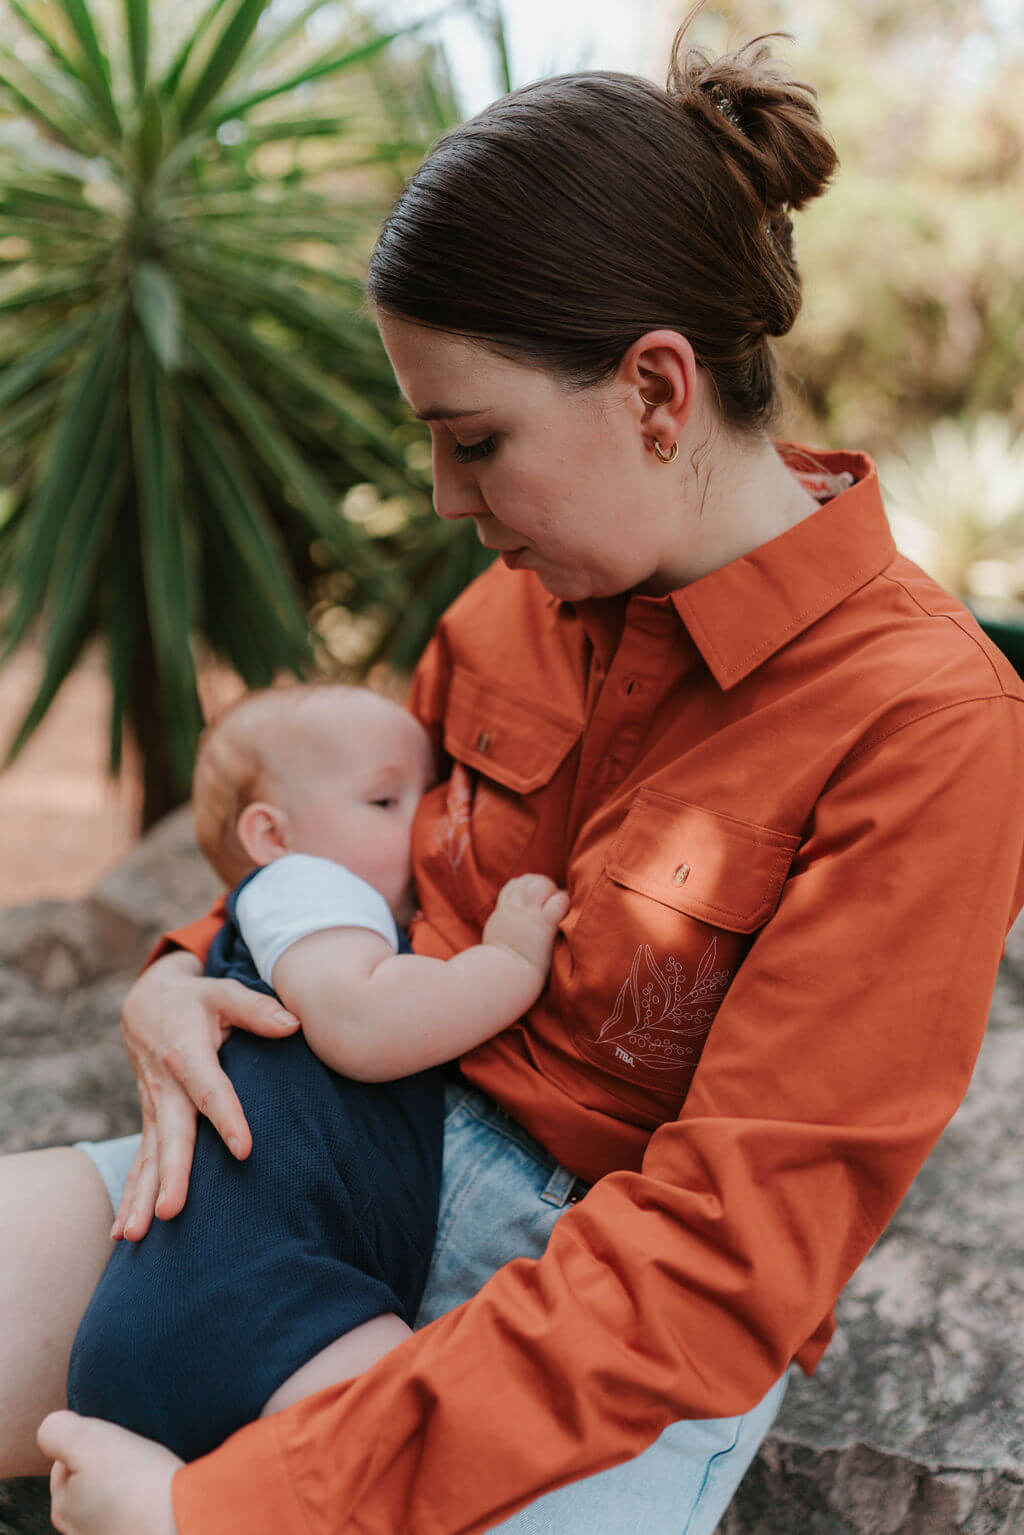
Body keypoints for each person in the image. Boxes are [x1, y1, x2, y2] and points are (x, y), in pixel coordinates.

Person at [6, 15, 1023, 1535]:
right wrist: (179, 976)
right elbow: (337, 864)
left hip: (599, 1300)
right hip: (335, 1148)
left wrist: (230, 1508)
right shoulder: (512, 594)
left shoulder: (931, 724)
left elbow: (718, 1263)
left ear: (659, 391)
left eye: (475, 440)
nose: (441, 497)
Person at [65, 681, 568, 1462]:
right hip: (267, 1295)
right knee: (428, 1453)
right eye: (385, 800)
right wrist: (508, 960)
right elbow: (365, 1024)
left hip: (206, 1302)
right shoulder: (309, 887)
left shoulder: (296, 912)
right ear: (272, 833)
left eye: (431, 794)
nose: (428, 822)